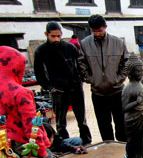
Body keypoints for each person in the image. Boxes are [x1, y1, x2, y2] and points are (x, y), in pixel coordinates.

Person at [34, 22, 92, 145]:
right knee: (60, 121)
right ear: (46, 34)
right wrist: (49, 87)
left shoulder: (69, 47)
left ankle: (86, 141)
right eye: (53, 36)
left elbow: (81, 64)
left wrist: (81, 79)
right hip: (58, 89)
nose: (56, 39)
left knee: (81, 118)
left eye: (58, 36)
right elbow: (39, 73)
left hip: (75, 87)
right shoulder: (41, 51)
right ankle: (65, 143)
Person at [78, 14, 128, 142]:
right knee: (104, 125)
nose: (98, 34)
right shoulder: (84, 44)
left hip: (117, 91)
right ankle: (109, 148)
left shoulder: (118, 42)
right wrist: (91, 79)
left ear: (105, 27)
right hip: (98, 93)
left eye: (100, 30)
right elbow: (81, 63)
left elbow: (126, 63)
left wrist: (119, 78)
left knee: (121, 123)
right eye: (94, 31)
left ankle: (123, 148)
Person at [0, 46, 51, 158]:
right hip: (23, 146)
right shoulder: (20, 93)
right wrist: (43, 152)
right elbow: (31, 127)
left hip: (4, 147)